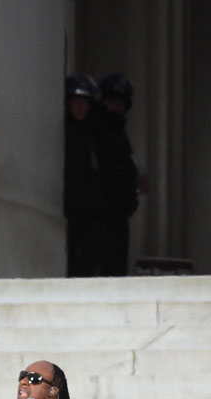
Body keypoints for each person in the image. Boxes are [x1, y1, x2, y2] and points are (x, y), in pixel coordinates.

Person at [95, 73, 143, 277]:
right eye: (112, 101)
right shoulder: (101, 131)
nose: (117, 107)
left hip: (118, 212)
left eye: (122, 103)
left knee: (115, 269)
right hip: (103, 212)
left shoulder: (118, 133)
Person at [64, 74, 107, 278]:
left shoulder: (96, 136)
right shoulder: (64, 134)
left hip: (92, 209)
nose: (79, 107)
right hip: (71, 208)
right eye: (74, 102)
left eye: (83, 103)